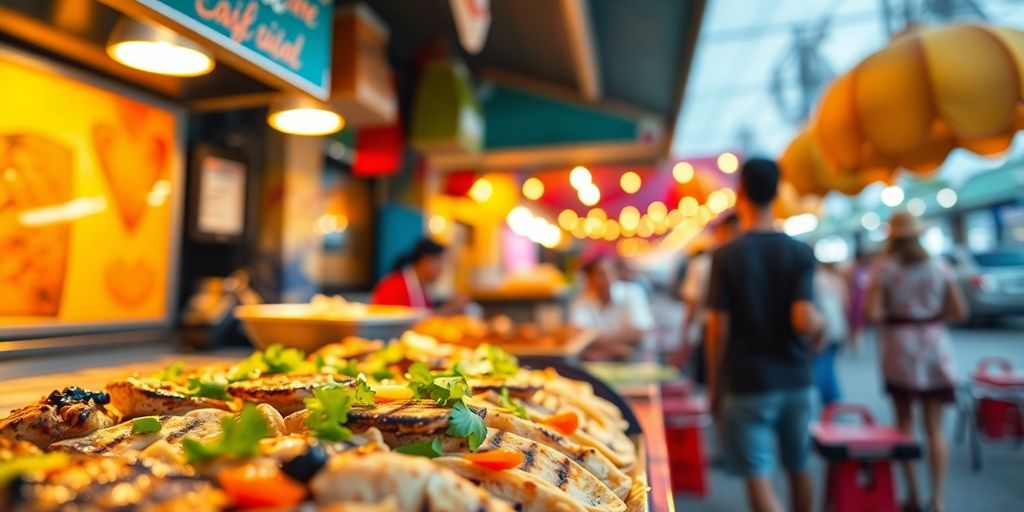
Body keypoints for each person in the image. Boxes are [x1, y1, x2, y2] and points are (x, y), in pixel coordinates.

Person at [705, 158, 823, 512]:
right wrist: (823, 327)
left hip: (747, 383)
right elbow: (804, 319)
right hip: (796, 380)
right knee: (799, 467)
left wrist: (714, 385)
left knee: (758, 476)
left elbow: (717, 329)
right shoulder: (801, 252)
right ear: (778, 193)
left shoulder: (726, 255)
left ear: (740, 193)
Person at [866, 211, 969, 512]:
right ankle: (937, 500)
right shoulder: (939, 267)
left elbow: (873, 314)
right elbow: (959, 313)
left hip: (900, 348)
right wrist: (928, 313)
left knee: (904, 424)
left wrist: (899, 310)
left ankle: (911, 493)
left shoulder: (883, 270)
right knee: (935, 427)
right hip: (935, 344)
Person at [672, 212, 739, 377]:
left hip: (715, 333)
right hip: (720, 334)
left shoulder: (703, 263)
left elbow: (691, 304)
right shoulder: (707, 262)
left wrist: (685, 337)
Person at [570, 256, 655, 360]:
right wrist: (615, 348)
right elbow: (577, 335)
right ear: (589, 278)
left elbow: (639, 332)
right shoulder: (582, 300)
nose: (607, 278)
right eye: (600, 274)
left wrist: (594, 342)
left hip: (634, 360)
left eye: (610, 272)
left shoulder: (632, 293)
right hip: (597, 360)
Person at [370, 238, 467, 314]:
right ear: (425, 261)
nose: (442, 269)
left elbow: (425, 316)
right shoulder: (393, 286)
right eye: (440, 262)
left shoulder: (421, 288)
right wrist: (450, 309)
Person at [812, 261, 849, 405]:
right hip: (839, 327)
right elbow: (846, 303)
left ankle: (831, 403)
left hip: (823, 330)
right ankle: (834, 402)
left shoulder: (814, 280)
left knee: (822, 367)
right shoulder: (836, 279)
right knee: (830, 366)